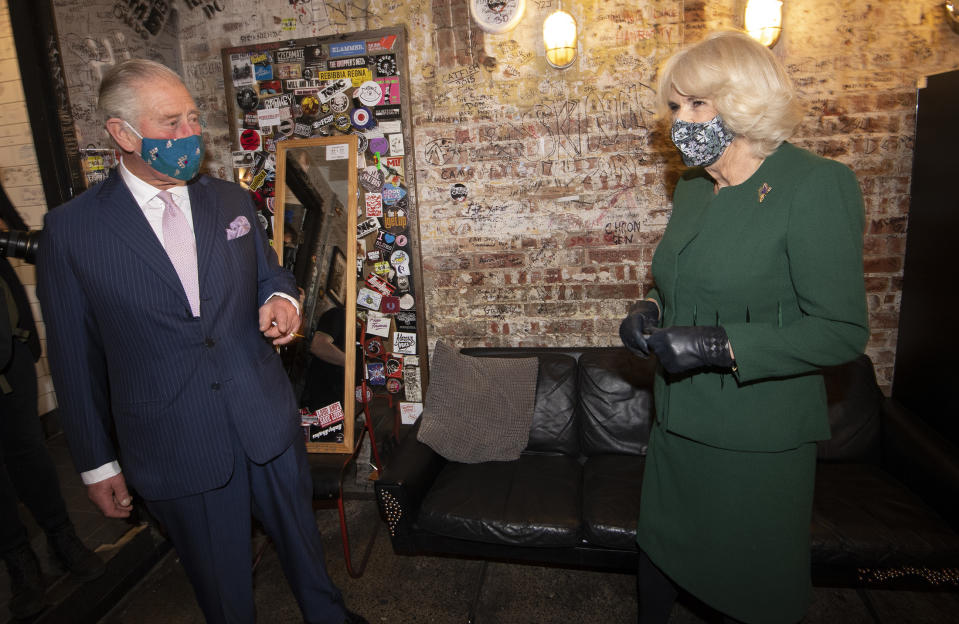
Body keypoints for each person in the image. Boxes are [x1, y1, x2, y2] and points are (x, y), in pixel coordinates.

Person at [36, 59, 366, 624]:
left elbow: (271, 274)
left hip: (265, 421)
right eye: (170, 124)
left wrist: (282, 302)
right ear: (122, 133)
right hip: (175, 441)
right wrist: (96, 465)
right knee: (222, 587)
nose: (189, 135)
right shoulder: (71, 231)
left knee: (308, 558)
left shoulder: (232, 203)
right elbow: (71, 359)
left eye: (192, 117)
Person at [619, 31, 868, 624]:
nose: (681, 120)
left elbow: (841, 330)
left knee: (749, 591)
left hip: (755, 437)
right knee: (656, 557)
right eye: (676, 107)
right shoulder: (692, 189)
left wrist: (719, 345)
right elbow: (679, 282)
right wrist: (650, 308)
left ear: (745, 101)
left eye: (697, 104)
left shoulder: (814, 185)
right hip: (678, 422)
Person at [1, 183, 104, 619]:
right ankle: (18, 561)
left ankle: (62, 536)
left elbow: (28, 243)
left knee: (28, 449)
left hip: (7, 348)